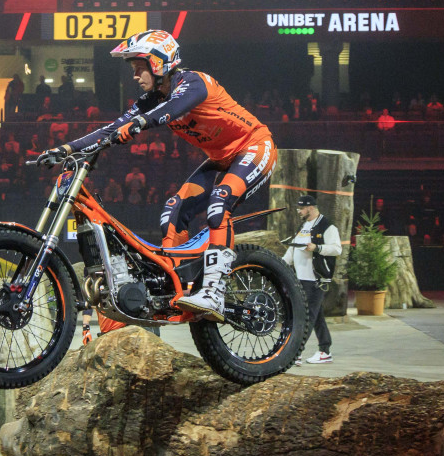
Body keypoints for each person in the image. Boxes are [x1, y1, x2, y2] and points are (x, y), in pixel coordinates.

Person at [43, 30, 275, 317]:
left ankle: (214, 292)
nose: (135, 76)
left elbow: (172, 108)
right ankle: (175, 287)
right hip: (220, 158)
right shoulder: (152, 99)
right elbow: (110, 129)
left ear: (158, 62)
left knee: (219, 202)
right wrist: (64, 149)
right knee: (172, 211)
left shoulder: (195, 83)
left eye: (139, 68)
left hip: (254, 146)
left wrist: (140, 122)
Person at [287, 194, 343, 364]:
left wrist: (317, 247)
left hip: (316, 279)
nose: (299, 211)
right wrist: (280, 264)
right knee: (316, 315)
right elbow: (293, 249)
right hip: (301, 278)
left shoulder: (327, 226)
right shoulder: (303, 225)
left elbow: (337, 249)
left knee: (306, 316)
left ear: (310, 208)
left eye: (301, 208)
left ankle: (295, 352)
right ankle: (325, 350)